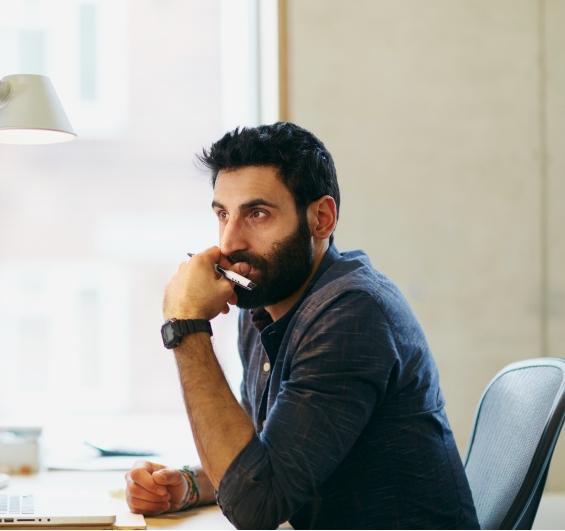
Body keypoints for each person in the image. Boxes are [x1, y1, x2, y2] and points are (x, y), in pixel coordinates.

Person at [124, 122, 479, 529]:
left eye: (257, 214)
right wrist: (186, 485)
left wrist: (185, 327)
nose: (229, 242)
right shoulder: (262, 304)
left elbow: (257, 506)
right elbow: (265, 460)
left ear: (321, 219)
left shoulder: (353, 313)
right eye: (223, 214)